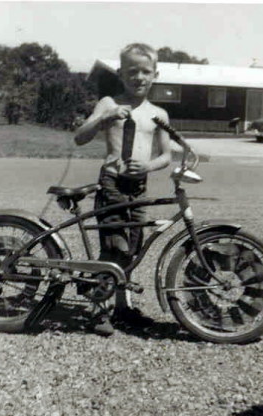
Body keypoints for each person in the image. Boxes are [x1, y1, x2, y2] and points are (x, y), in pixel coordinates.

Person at [74, 43, 172, 336]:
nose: (139, 77)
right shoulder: (108, 103)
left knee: (132, 248)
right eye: (132, 71)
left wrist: (147, 167)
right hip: (113, 183)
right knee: (113, 246)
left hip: (138, 186)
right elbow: (80, 137)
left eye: (145, 71)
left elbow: (166, 155)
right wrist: (104, 118)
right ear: (120, 73)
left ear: (156, 74)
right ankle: (98, 310)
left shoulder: (159, 114)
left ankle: (122, 308)